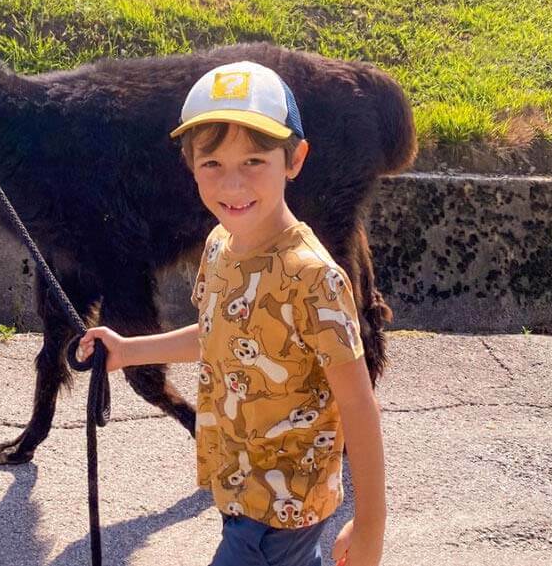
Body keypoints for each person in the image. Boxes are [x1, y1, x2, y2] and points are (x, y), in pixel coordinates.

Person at [77, 61, 386, 566]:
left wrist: (370, 526)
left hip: (282, 508)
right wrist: (129, 351)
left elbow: (359, 405)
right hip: (239, 487)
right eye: (212, 164)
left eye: (254, 161)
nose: (233, 184)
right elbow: (214, 332)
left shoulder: (313, 277)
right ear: (190, 165)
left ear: (294, 158)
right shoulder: (221, 245)